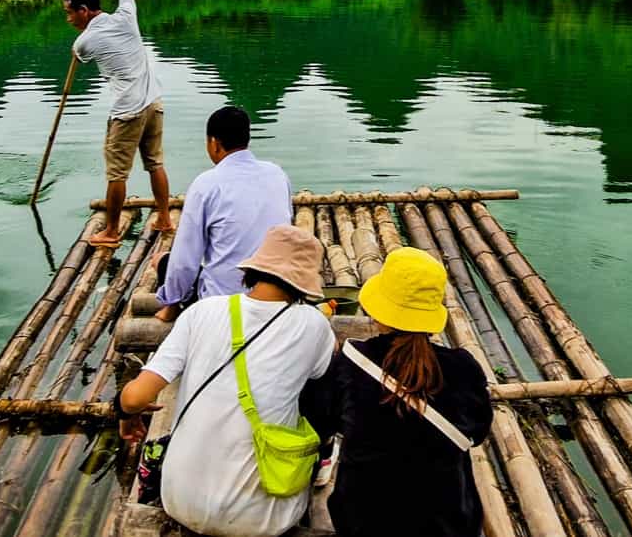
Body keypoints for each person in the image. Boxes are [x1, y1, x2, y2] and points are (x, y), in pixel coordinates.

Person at [116, 225, 336, 537]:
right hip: (262, 520)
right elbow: (320, 394)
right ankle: (322, 463)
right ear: (304, 284)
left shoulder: (202, 311)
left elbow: (135, 398)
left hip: (181, 503)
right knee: (316, 386)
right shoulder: (314, 325)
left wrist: (128, 417)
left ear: (254, 271)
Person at [301, 247, 492, 537]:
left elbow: (321, 421)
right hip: (448, 524)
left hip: (363, 521)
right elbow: (477, 433)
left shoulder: (350, 363)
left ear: (381, 311)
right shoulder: (464, 368)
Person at [64, 0, 171, 247]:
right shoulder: (127, 16)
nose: (68, 18)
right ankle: (164, 218)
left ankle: (110, 232)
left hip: (127, 112)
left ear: (84, 11)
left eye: (70, 12)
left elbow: (79, 55)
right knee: (155, 163)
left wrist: (77, 42)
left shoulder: (84, 41)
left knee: (116, 174)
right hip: (154, 102)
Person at [152, 105, 292, 322]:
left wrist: (170, 299)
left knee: (162, 260)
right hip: (276, 293)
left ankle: (173, 305)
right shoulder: (277, 174)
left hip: (223, 305)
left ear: (214, 143)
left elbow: (185, 261)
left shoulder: (206, 184)